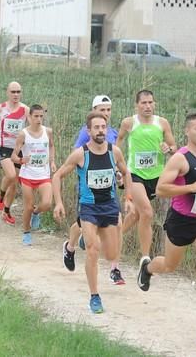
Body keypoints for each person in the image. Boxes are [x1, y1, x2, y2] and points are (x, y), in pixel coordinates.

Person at [136, 112, 196, 337]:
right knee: (170, 266)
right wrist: (189, 188)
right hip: (180, 221)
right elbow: (160, 189)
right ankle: (147, 268)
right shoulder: (180, 158)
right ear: (187, 131)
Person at [53, 111, 132, 314]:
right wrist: (58, 203)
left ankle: (79, 241)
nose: (100, 131)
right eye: (96, 127)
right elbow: (58, 175)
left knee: (111, 253)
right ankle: (94, 296)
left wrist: (128, 198)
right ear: (88, 131)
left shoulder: (114, 152)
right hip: (89, 207)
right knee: (92, 250)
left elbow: (126, 173)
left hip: (109, 206)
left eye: (103, 127)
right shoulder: (81, 154)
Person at [65, 95, 127, 285]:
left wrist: (118, 174)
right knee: (81, 224)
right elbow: (77, 156)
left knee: (117, 223)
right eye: (102, 110)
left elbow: (115, 160)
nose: (106, 114)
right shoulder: (86, 133)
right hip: (87, 187)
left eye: (108, 110)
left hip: (108, 187)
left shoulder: (113, 133)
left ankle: (115, 268)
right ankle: (70, 246)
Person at [116, 89, 176, 267]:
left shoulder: (162, 123)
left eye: (150, 102)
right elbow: (117, 143)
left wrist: (168, 148)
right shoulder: (128, 122)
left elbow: (174, 146)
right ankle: (145, 257)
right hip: (135, 174)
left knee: (134, 215)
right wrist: (118, 168)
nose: (148, 106)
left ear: (154, 104)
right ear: (137, 105)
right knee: (147, 213)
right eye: (144, 103)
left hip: (156, 176)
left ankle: (112, 239)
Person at [10, 104, 56, 246]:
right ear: (29, 117)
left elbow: (51, 146)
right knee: (28, 207)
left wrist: (52, 161)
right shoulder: (23, 134)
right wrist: (21, 160)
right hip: (28, 175)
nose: (39, 119)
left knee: (47, 203)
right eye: (36, 116)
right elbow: (13, 156)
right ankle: (26, 232)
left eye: (41, 116)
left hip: (43, 173)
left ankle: (36, 213)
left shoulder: (48, 132)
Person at [0, 82, 29, 226]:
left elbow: (32, 126)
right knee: (11, 175)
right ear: (7, 92)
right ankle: (0, 195)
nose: (16, 95)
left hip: (18, 150)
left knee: (14, 184)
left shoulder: (25, 109)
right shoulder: (0, 108)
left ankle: (6, 211)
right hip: (4, 149)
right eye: (13, 92)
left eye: (18, 92)